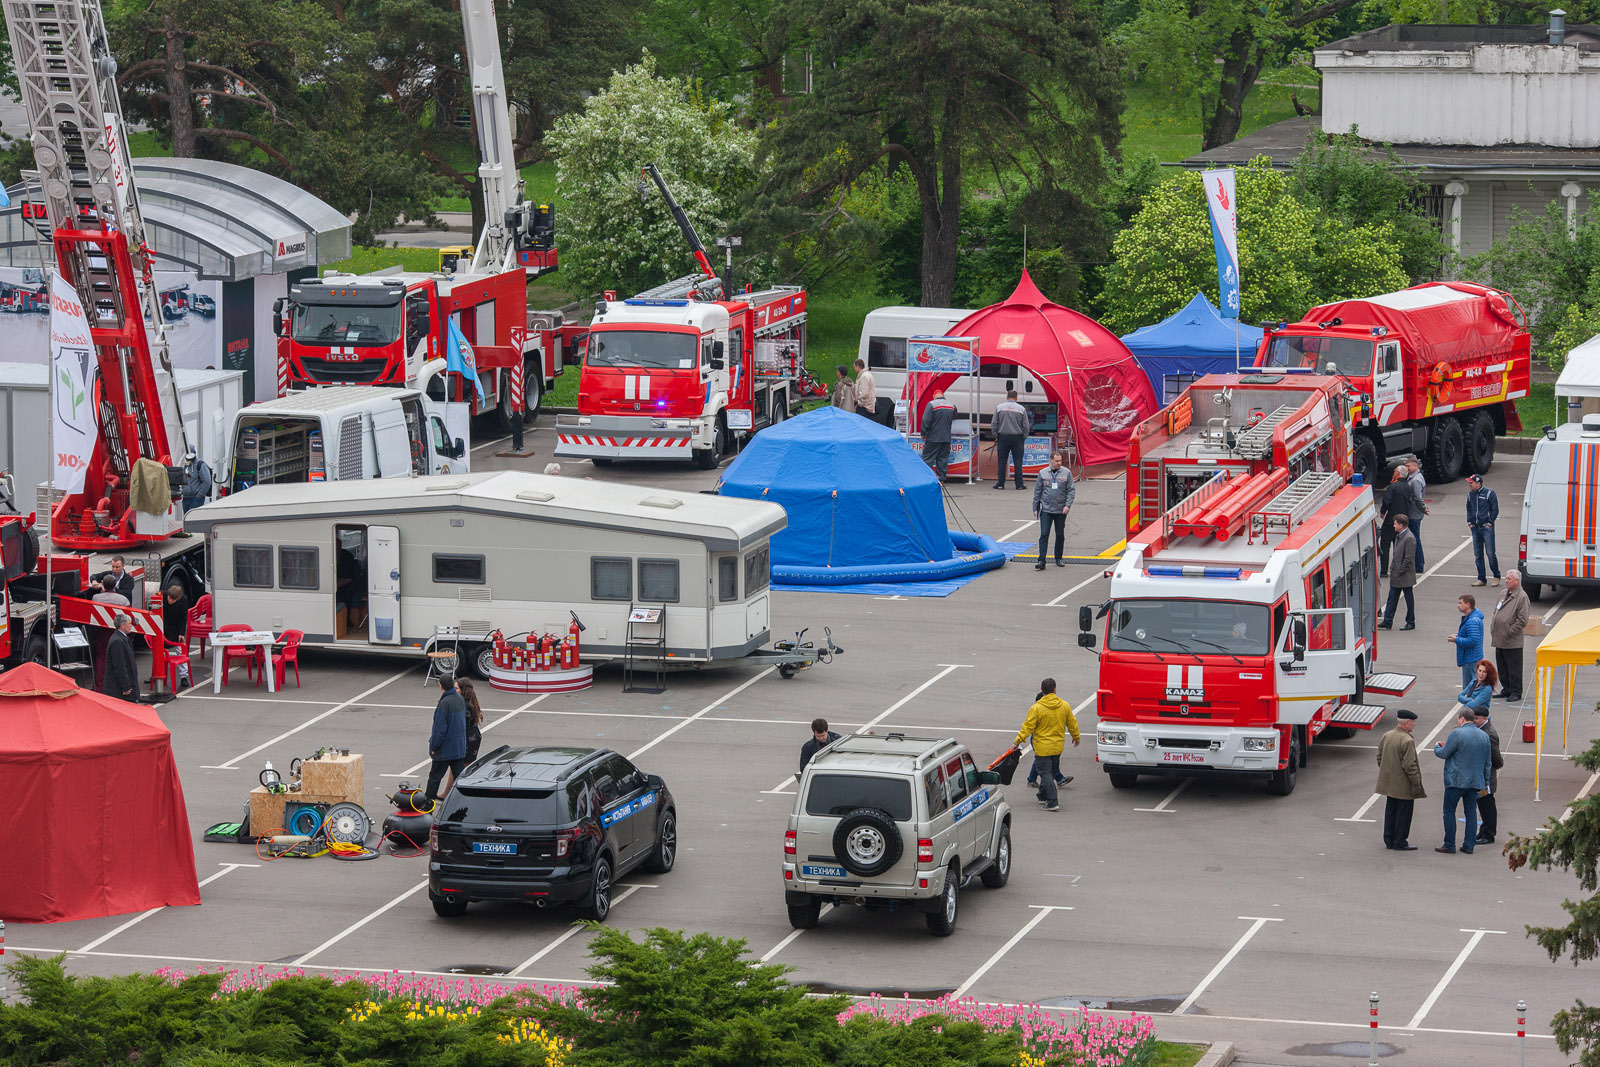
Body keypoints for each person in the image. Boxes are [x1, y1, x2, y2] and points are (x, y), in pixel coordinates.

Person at [1013, 678, 1080, 812]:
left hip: (1042, 747)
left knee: (1045, 774)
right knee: (1049, 772)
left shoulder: (1036, 708)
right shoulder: (1064, 705)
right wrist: (1076, 737)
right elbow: (1072, 723)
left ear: (1041, 690)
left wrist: (1017, 742)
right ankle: (1042, 795)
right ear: (1055, 689)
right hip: (1057, 746)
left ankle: (1052, 801)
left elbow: (1028, 727)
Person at [1433, 707, 1492, 854]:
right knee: (1471, 813)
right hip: (1475, 781)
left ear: (1462, 719)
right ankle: (1469, 845)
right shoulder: (1484, 736)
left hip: (1456, 780)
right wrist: (1485, 781)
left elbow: (1444, 753)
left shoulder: (1457, 734)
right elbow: (1488, 762)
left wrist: (1436, 747)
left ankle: (1449, 844)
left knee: (1449, 811)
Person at [1376, 709, 1425, 850]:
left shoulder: (1387, 735)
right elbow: (1410, 765)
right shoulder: (1407, 740)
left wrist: (1388, 771)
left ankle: (1389, 840)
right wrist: (1416, 784)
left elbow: (1379, 757)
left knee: (1391, 811)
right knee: (1404, 813)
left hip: (1389, 783)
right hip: (1403, 784)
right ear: (1407, 723)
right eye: (1413, 722)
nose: (1414, 725)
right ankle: (1400, 841)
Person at [424, 674, 469, 803]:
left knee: (434, 778)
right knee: (460, 779)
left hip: (445, 749)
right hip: (459, 748)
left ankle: (428, 807)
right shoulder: (460, 699)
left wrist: (434, 746)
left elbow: (440, 730)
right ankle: (465, 804)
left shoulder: (444, 703)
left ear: (441, 686)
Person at [1032, 451, 1075, 571]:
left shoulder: (1066, 473)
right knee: (1044, 534)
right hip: (1046, 509)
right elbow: (1037, 491)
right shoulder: (1043, 473)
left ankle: (1058, 558)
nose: (1058, 463)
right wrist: (1035, 507)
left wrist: (1067, 505)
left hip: (1060, 510)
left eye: (1060, 461)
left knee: (1060, 534)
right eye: (1056, 461)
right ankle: (1041, 560)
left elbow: (1071, 490)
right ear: (1050, 460)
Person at [1491, 570, 1530, 702]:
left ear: (1517, 581)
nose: (1506, 581)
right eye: (1506, 578)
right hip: (1499, 638)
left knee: (1514, 668)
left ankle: (1516, 692)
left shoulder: (1522, 597)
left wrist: (1510, 631)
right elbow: (1496, 610)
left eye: (1509, 579)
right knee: (1502, 667)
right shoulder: (1503, 593)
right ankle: (1506, 689)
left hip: (1512, 640)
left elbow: (1522, 619)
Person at [1471, 702, 1504, 845]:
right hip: (1482, 775)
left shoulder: (1488, 734)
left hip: (1487, 776)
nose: (1474, 721)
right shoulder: (1483, 730)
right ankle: (1484, 830)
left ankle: (1489, 834)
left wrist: (1496, 766)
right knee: (1483, 804)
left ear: (1485, 718)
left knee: (1487, 805)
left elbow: (1496, 757)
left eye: (1476, 719)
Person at [1379, 515, 1416, 630]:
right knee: (1392, 598)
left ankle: (1410, 621)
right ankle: (1387, 621)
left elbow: (1409, 558)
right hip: (1397, 574)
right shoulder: (1400, 536)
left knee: (1408, 599)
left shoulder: (1408, 538)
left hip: (1404, 575)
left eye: (1395, 523)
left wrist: (1400, 571)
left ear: (1401, 525)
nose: (1393, 525)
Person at [1378, 467, 1416, 574]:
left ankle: (1384, 570)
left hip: (1391, 520)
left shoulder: (1393, 486)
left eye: (1394, 471)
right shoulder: (1408, 487)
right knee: (1399, 547)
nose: (1393, 473)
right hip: (1403, 520)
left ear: (1398, 473)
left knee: (1385, 545)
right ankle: (1397, 569)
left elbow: (1387, 501)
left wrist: (1383, 511)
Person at [1465, 473, 1500, 587]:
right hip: (1475, 527)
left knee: (1490, 553)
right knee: (1478, 554)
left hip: (1486, 527)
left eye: (1472, 482)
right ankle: (1481, 578)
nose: (1470, 484)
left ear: (1478, 483)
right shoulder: (1471, 494)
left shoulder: (1489, 493)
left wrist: (1490, 522)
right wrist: (1470, 522)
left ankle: (1496, 576)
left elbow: (1495, 509)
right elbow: (1469, 508)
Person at [992, 389, 1029, 490]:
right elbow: (1026, 426)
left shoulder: (999, 408)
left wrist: (996, 435)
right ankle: (1019, 485)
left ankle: (1000, 484)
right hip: (1017, 437)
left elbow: (994, 423)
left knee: (1002, 460)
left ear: (1007, 397)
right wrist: (1023, 437)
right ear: (1016, 398)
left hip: (1003, 437)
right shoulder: (1021, 409)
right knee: (1018, 461)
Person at [1447, 594, 1485, 690]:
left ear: (1468, 604)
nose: (1458, 605)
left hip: (1471, 659)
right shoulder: (1470, 618)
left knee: (1471, 688)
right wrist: (1458, 635)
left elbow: (1473, 640)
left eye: (1460, 603)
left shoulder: (1472, 621)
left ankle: (1473, 704)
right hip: (1471, 658)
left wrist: (1456, 639)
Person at [103, 613, 141, 703]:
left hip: (122, 689)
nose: (131, 626)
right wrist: (126, 687)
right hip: (119, 691)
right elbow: (120, 666)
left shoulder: (121, 639)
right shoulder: (118, 642)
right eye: (129, 624)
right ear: (123, 625)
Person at [920, 389, 957, 479]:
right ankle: (941, 478)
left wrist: (923, 433)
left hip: (933, 437)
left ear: (934, 396)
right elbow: (954, 418)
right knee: (942, 459)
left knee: (928, 458)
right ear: (943, 395)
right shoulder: (952, 406)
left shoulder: (931, 404)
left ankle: (926, 478)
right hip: (946, 438)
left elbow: (925, 420)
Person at [1404, 458, 1429, 572]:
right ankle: (1417, 563)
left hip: (1414, 513)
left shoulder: (1415, 480)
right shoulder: (1414, 478)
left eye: (1408, 466)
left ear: (1415, 466)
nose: (1406, 468)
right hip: (1415, 512)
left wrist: (1423, 509)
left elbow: (1418, 498)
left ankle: (1419, 565)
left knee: (1415, 539)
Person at [457, 678, 485, 764]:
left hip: (468, 740)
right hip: (472, 737)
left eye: (456, 688)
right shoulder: (468, 702)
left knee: (463, 767)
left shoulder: (465, 706)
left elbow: (461, 725)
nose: (453, 691)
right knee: (456, 769)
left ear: (463, 690)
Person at [180, 450, 213, 515]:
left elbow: (207, 481)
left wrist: (199, 495)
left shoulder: (200, 465)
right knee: (187, 519)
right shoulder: (185, 465)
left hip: (196, 498)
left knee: (193, 519)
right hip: (185, 497)